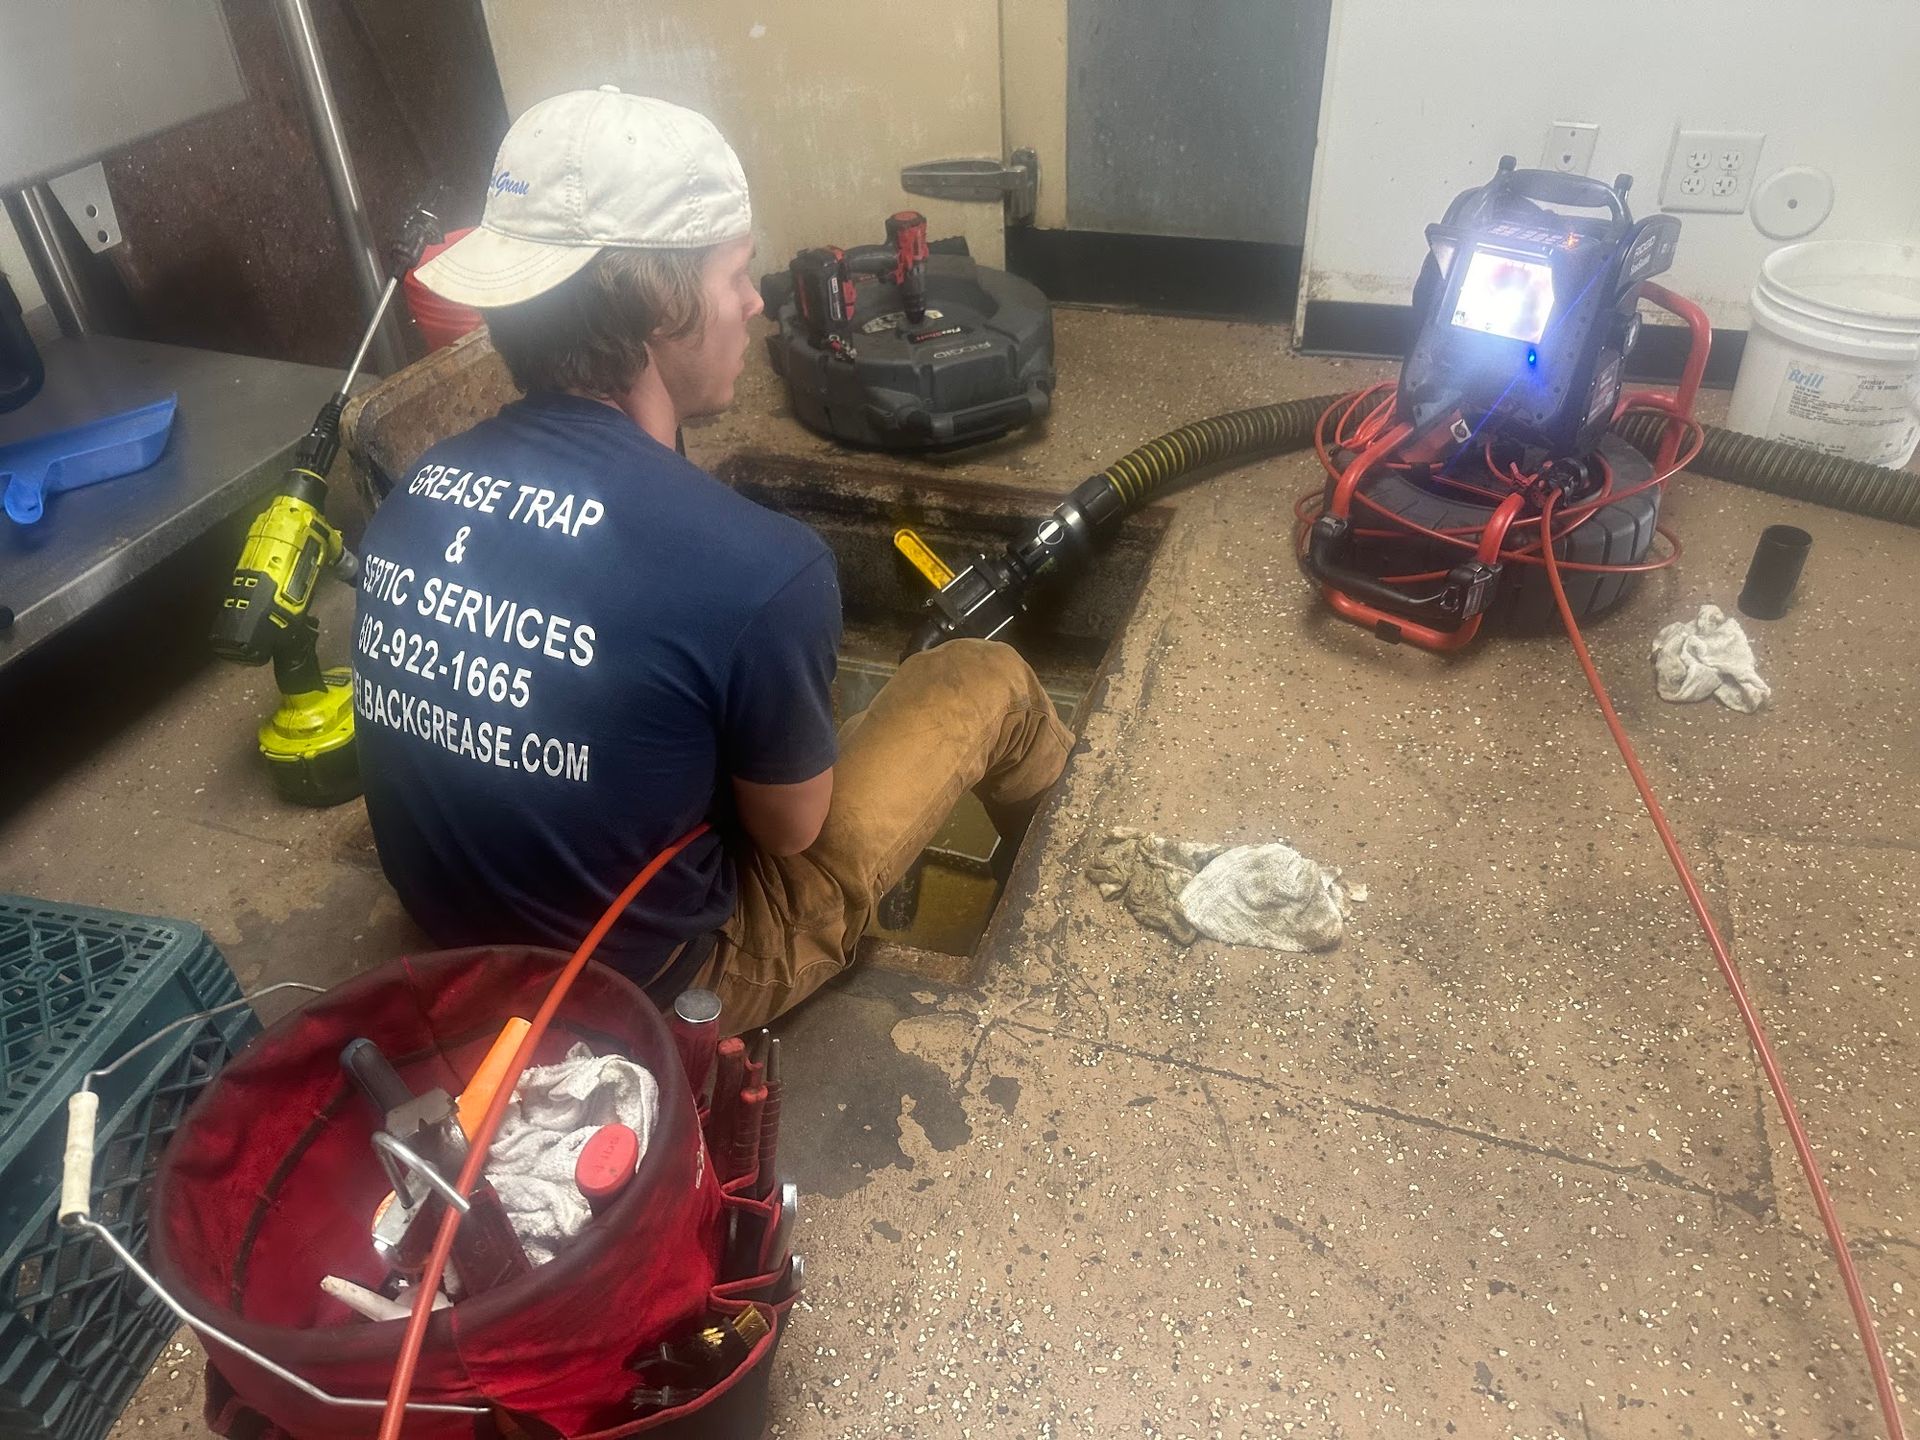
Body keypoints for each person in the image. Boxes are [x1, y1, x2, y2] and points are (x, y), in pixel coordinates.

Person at [353, 88, 1073, 1031]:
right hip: (651, 989)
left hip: (453, 943)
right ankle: (1052, 922)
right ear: (657, 298)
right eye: (735, 272)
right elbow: (788, 834)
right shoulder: (763, 567)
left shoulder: (422, 489)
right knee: (988, 679)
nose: (753, 301)